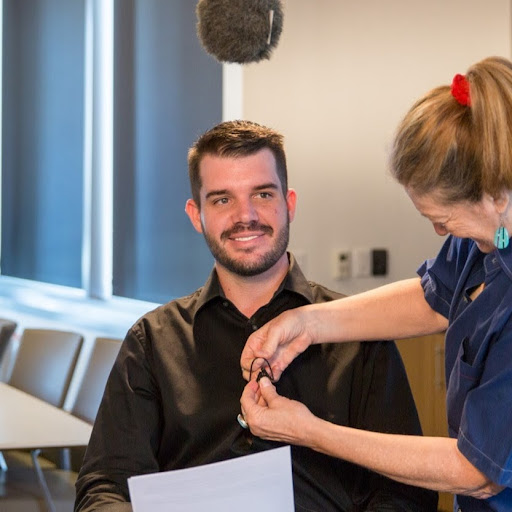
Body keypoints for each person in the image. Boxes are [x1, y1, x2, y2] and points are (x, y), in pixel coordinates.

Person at [74, 120, 437, 511]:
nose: (245, 215)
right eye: (222, 200)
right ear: (196, 215)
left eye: (262, 194)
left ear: (289, 204)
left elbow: (406, 493)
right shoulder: (152, 341)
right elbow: (105, 485)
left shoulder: (359, 332)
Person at [240, 56, 512, 512]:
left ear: (496, 195)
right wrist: (307, 323)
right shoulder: (490, 237)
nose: (440, 233)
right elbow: (433, 298)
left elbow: (476, 471)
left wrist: (311, 433)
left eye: (443, 219)